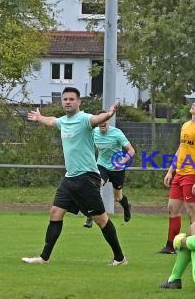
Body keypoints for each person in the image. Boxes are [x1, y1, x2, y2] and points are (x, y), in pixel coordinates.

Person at [21, 87, 127, 266]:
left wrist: (109, 114)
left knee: (101, 220)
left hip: (87, 178)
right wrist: (39, 118)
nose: (68, 102)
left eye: (71, 99)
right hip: (70, 178)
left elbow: (97, 119)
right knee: (55, 212)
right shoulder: (63, 121)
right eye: (65, 99)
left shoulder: (84, 119)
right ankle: (43, 258)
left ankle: (120, 258)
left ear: (79, 102)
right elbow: (51, 121)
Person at [157, 96, 195, 254]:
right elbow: (181, 149)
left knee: (192, 213)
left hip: (193, 175)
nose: (194, 103)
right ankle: (171, 246)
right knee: (172, 208)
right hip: (180, 174)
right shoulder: (186, 125)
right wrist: (171, 170)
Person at [83, 111, 135, 228]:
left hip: (117, 169)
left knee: (118, 198)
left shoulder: (117, 133)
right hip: (102, 166)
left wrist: (121, 162)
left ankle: (127, 207)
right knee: (94, 186)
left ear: (108, 121)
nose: (102, 123)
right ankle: (90, 215)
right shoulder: (93, 133)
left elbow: (131, 151)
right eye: (99, 121)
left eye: (104, 120)